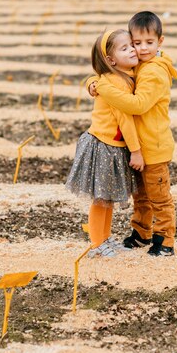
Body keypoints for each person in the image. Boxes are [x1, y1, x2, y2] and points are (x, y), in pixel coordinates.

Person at [88, 11, 177, 256]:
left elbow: (138, 104)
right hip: (138, 147)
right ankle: (141, 233)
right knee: (141, 197)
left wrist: (105, 90)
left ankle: (165, 240)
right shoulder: (139, 65)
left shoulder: (154, 72)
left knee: (159, 197)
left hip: (154, 147)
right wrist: (92, 82)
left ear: (160, 41)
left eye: (149, 43)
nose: (141, 49)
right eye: (136, 44)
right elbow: (110, 73)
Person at [66, 29, 145, 258]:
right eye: (124, 48)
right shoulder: (113, 84)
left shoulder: (123, 75)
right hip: (103, 146)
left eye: (132, 45)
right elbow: (125, 120)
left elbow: (95, 78)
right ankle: (96, 243)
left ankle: (105, 238)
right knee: (100, 200)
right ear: (111, 60)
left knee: (107, 198)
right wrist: (136, 151)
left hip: (113, 146)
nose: (132, 49)